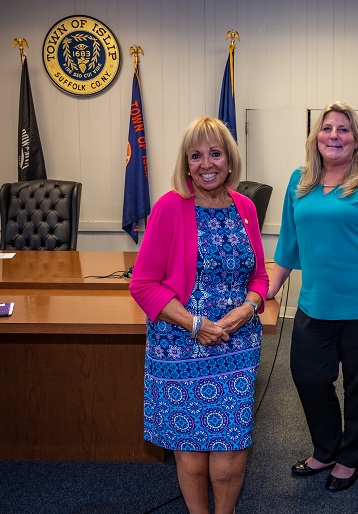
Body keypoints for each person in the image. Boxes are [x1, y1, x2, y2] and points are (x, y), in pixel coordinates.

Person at [130, 116, 269, 514]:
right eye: (196, 155)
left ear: (229, 159)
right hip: (180, 344)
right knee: (190, 449)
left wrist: (249, 307)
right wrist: (194, 323)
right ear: (186, 163)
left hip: (236, 342)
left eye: (215, 153)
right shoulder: (170, 207)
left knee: (232, 445)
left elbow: (259, 276)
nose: (206, 163)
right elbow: (143, 284)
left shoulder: (244, 207)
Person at [267, 101, 358, 492]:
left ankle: (350, 458)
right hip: (314, 306)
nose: (334, 136)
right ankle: (326, 448)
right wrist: (264, 293)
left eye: (343, 129)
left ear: (356, 139)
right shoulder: (299, 181)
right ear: (316, 137)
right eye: (327, 128)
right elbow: (288, 244)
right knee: (308, 378)